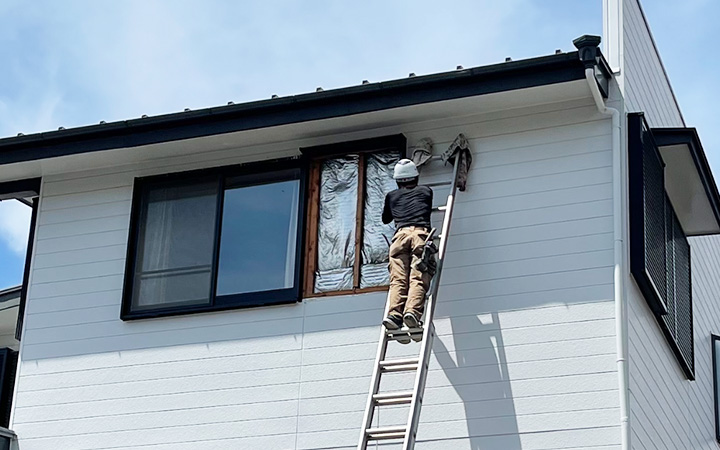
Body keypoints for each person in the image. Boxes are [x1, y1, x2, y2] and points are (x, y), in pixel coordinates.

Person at [381, 159, 433, 334]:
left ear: (397, 180)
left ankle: (394, 315)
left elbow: (385, 219)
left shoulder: (391, 196)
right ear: (416, 178)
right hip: (420, 234)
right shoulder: (426, 191)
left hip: (400, 237)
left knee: (398, 279)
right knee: (418, 275)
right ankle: (412, 312)